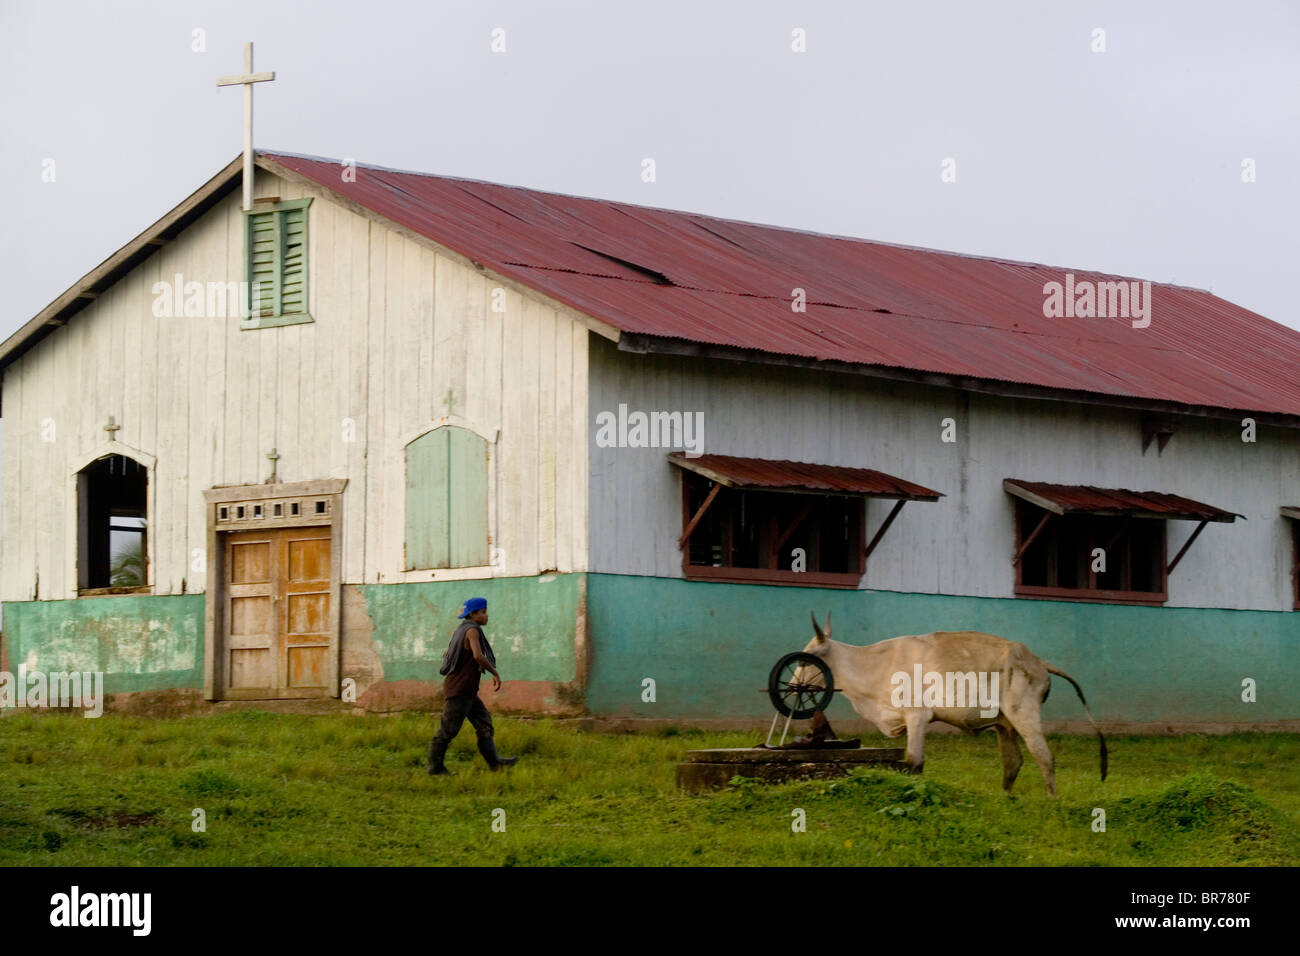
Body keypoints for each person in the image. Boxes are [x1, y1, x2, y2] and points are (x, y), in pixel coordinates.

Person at [427, 597, 520, 775]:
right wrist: (494, 672)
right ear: (473, 614)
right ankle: (435, 767)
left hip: (467, 690)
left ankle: (495, 764)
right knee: (448, 730)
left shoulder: (462, 629)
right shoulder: (472, 631)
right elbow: (477, 655)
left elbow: (448, 653)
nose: (486, 616)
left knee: (484, 723)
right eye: (483, 612)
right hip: (460, 691)